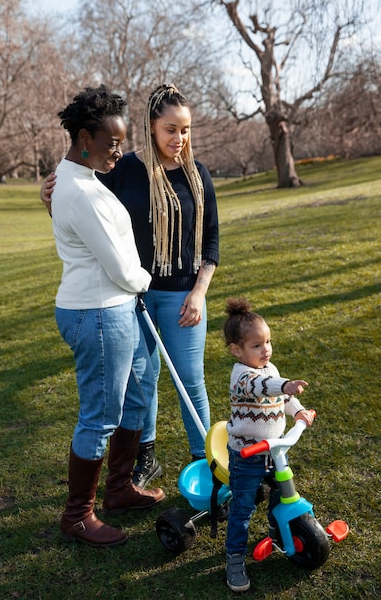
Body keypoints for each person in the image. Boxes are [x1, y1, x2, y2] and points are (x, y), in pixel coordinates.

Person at [41, 84, 220, 488]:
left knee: (189, 381)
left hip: (183, 297)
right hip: (132, 296)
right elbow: (82, 209)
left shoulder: (199, 175)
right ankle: (146, 458)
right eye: (171, 129)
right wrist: (47, 198)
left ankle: (209, 463)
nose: (179, 139)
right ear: (151, 127)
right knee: (143, 379)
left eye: (186, 130)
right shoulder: (123, 168)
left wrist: (198, 292)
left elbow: (211, 242)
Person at [50, 85, 164, 550]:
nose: (118, 151)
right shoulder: (79, 190)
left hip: (117, 309)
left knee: (138, 393)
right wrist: (144, 280)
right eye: (110, 142)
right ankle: (78, 515)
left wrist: (133, 285)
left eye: (121, 141)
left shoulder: (83, 178)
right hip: (97, 313)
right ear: (83, 137)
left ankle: (118, 488)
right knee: (100, 416)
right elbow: (120, 267)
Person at [223, 297, 315, 592]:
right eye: (257, 345)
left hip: (274, 451)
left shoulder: (270, 368)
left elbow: (283, 398)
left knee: (280, 494)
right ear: (237, 350)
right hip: (247, 454)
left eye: (268, 342)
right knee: (243, 508)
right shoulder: (242, 376)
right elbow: (263, 388)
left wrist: (297, 408)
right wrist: (284, 385)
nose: (266, 350)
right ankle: (235, 557)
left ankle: (280, 531)